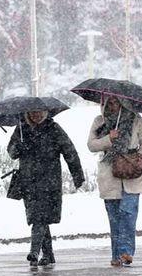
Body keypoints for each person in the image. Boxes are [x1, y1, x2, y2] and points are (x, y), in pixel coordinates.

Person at [7, 110, 85, 267]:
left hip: (49, 182)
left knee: (39, 218)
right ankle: (48, 255)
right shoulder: (21, 129)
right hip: (28, 182)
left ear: (45, 113)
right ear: (27, 114)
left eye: (39, 112)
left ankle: (34, 251)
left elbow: (69, 151)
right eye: (32, 112)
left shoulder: (54, 128)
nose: (35, 115)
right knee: (39, 217)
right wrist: (19, 146)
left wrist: (78, 175)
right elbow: (11, 152)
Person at [87, 96, 142, 267]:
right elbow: (91, 145)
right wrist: (109, 139)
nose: (113, 105)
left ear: (122, 103)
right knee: (114, 218)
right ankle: (116, 255)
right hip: (110, 174)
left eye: (116, 102)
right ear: (104, 104)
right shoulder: (100, 121)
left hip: (132, 171)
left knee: (128, 214)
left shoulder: (135, 118)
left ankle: (126, 253)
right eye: (110, 102)